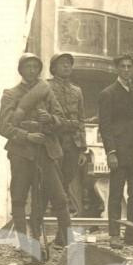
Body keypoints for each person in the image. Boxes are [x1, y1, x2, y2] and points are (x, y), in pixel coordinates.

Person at [0, 52, 71, 255]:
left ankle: (70, 244)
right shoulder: (10, 95)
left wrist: (49, 119)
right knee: (19, 198)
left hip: (45, 152)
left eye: (35, 67)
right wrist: (26, 136)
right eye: (27, 67)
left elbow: (61, 120)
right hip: (21, 153)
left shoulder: (46, 92)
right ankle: (24, 244)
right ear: (21, 70)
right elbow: (3, 127)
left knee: (60, 198)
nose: (32, 71)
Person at [97, 54, 133, 249]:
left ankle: (132, 233)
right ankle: (114, 234)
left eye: (129, 66)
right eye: (123, 66)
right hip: (118, 152)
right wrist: (111, 152)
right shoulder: (108, 93)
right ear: (117, 69)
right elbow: (105, 126)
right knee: (116, 194)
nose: (126, 70)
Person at [46, 52, 87, 225]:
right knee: (52, 181)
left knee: (67, 181)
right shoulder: (45, 87)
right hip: (54, 140)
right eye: (62, 63)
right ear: (53, 68)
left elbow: (82, 119)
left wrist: (83, 148)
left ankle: (62, 225)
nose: (66, 66)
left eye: (69, 64)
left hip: (72, 142)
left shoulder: (77, 91)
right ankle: (52, 217)